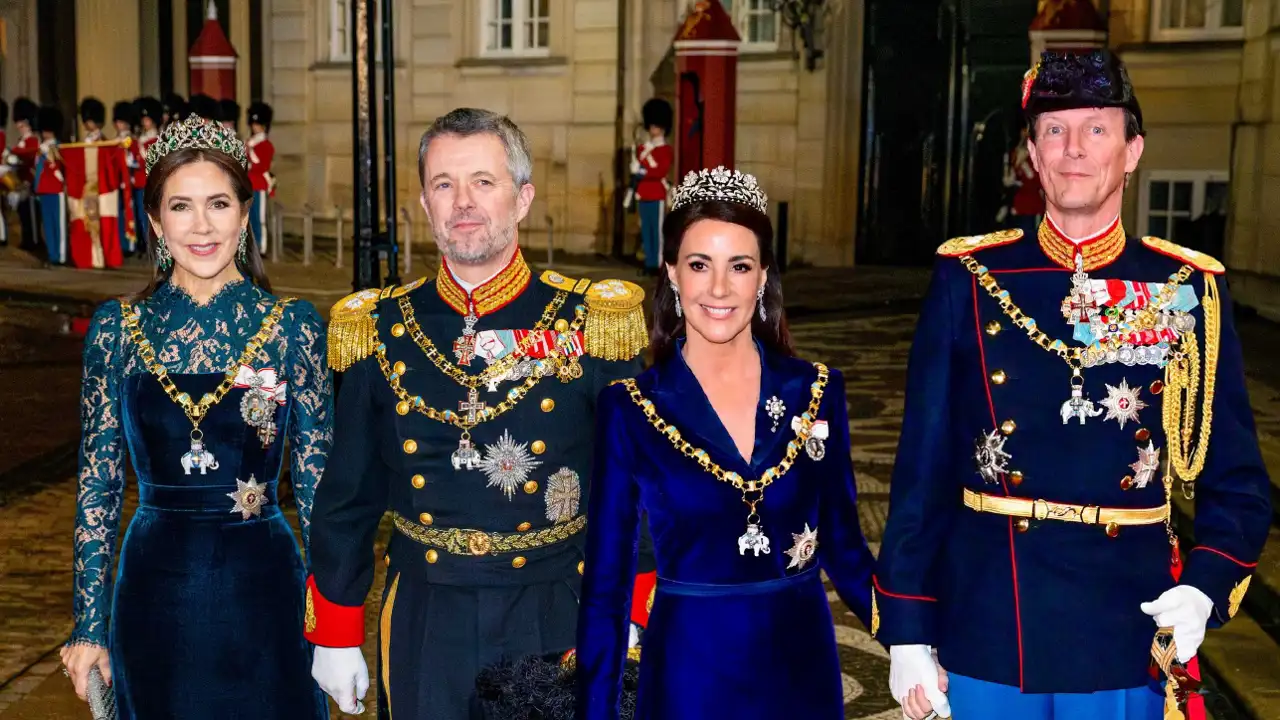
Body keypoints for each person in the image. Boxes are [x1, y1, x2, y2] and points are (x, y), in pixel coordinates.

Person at [875, 50, 1271, 720]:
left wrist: (1206, 586)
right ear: (1032, 152)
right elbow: (923, 467)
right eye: (1054, 130)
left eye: (1096, 129)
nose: (1074, 149)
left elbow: (1235, 473)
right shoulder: (968, 277)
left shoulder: (1185, 287)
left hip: (1124, 620)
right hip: (990, 616)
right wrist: (909, 625)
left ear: (1133, 149)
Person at [306, 107, 656, 720]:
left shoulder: (591, 320)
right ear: (424, 202)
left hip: (554, 609)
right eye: (444, 184)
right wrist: (335, 630)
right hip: (423, 615)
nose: (462, 201)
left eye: (483, 182)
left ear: (522, 199)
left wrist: (631, 612)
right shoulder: (376, 327)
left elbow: (638, 488)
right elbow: (348, 497)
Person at [575, 166, 875, 720]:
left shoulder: (816, 391)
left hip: (801, 670)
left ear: (762, 277)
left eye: (739, 266)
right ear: (670, 274)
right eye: (698, 265)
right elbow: (606, 590)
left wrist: (913, 640)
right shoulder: (630, 408)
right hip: (689, 675)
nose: (718, 289)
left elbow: (846, 548)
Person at [58, 114, 332, 719]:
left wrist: (336, 627)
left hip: (266, 592)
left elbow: (318, 492)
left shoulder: (292, 327)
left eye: (218, 203)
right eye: (181, 206)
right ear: (156, 220)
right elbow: (99, 486)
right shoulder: (117, 330)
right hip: (154, 593)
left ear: (244, 213)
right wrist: (89, 624)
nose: (202, 226)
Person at [631, 99, 673, 275]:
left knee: (657, 232)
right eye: (652, 125)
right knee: (646, 230)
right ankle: (649, 262)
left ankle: (658, 264)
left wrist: (644, 169)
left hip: (656, 194)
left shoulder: (664, 150)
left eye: (656, 125)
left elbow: (659, 171)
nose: (653, 129)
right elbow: (641, 169)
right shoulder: (643, 148)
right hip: (644, 194)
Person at [34, 105, 66, 266]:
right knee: (47, 224)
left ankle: (60, 255)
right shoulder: (40, 148)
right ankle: (52, 254)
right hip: (44, 189)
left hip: (56, 189)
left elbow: (62, 168)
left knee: (57, 224)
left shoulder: (59, 146)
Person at [133, 97, 163, 257]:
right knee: (140, 216)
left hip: (150, 182)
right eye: (143, 119)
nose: (145, 122)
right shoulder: (141, 139)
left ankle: (154, 246)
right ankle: (145, 245)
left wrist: (139, 148)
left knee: (152, 216)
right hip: (138, 182)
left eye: (148, 119)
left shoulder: (157, 139)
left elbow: (150, 159)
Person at [10, 97, 40, 251]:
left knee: (31, 215)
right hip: (21, 182)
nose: (19, 125)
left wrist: (28, 181)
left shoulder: (33, 140)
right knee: (23, 215)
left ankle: (33, 241)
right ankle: (27, 239)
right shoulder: (21, 140)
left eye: (23, 122)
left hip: (30, 182)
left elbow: (31, 160)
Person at [246, 101, 274, 256]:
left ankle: (261, 246)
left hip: (259, 185)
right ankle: (251, 245)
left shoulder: (266, 145)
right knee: (249, 218)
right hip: (248, 184)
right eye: (253, 124)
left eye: (258, 124)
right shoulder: (250, 143)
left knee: (259, 217)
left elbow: (262, 166)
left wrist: (250, 152)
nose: (255, 127)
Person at [112, 100, 139, 254]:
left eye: (121, 122)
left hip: (129, 180)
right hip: (119, 181)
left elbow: (136, 159)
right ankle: (122, 243)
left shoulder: (131, 140)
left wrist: (130, 161)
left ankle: (130, 244)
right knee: (119, 213)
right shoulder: (116, 140)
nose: (118, 125)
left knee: (129, 213)